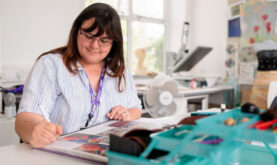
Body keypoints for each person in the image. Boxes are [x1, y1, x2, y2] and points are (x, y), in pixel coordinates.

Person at [15, 3, 142, 148]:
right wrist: (34, 131)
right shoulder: (50, 65)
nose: (94, 46)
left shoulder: (120, 71)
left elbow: (136, 109)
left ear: (114, 43)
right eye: (89, 36)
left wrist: (127, 114)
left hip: (105, 154)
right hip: (57, 155)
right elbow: (24, 119)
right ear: (77, 32)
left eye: (104, 41)